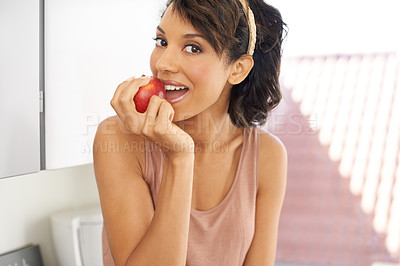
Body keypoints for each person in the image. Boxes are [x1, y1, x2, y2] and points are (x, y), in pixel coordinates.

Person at [93, 0, 287, 265]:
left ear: (237, 69)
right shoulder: (118, 138)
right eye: (161, 41)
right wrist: (180, 157)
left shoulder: (267, 156)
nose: (163, 63)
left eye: (193, 47)